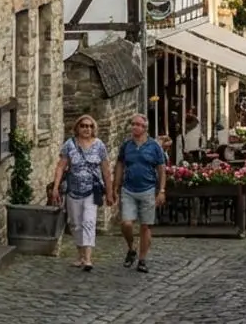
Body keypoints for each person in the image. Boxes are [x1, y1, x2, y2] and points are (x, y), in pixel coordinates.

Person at [52, 114, 112, 271]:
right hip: (73, 190)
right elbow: (61, 166)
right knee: (75, 223)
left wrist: (110, 191)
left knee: (89, 221)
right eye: (84, 126)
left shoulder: (99, 146)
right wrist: (55, 188)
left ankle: (88, 258)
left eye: (90, 126)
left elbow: (105, 170)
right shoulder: (70, 145)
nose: (87, 129)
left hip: (91, 190)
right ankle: (80, 255)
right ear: (77, 128)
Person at [109, 114, 167, 273]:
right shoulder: (126, 146)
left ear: (145, 128)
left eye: (138, 124)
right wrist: (115, 186)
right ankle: (131, 248)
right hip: (128, 189)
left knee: (145, 226)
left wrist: (161, 190)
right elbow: (120, 165)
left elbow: (161, 170)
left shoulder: (154, 147)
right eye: (133, 124)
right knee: (126, 223)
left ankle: (142, 259)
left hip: (147, 189)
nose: (135, 127)